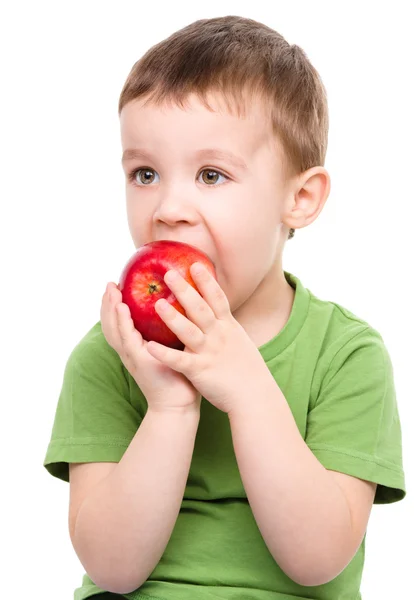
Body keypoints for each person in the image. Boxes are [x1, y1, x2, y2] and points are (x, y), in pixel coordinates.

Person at [43, 15, 406, 600]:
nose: (168, 207)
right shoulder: (112, 351)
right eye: (145, 173)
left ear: (300, 199)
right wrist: (170, 409)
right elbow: (112, 568)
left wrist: (247, 388)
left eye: (211, 174)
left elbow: (318, 559)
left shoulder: (346, 355)